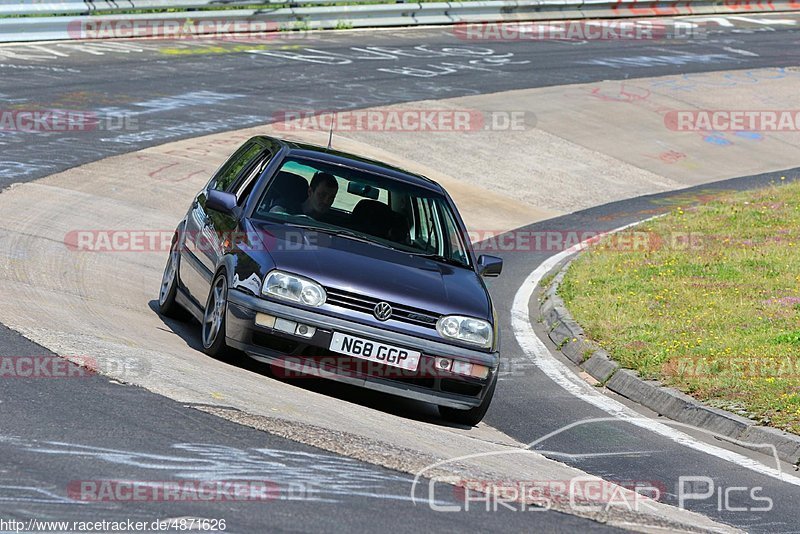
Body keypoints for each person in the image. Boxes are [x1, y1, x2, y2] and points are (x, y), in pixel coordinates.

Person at [269, 171, 338, 220]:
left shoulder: (331, 222)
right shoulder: (286, 206)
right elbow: (275, 213)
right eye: (322, 195)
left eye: (331, 197)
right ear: (310, 192)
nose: (326, 201)